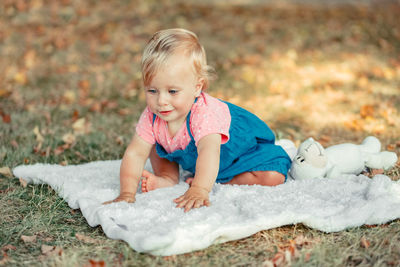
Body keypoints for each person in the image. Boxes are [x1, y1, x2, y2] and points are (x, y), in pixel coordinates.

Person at [104, 28, 291, 212]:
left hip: (240, 152)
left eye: (172, 91)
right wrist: (126, 193)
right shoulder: (153, 114)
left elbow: (210, 151)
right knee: (150, 138)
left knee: (272, 177)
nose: (161, 101)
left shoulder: (204, 113)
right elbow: (135, 153)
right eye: (152, 91)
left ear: (196, 87)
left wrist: (199, 189)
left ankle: (218, 179)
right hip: (201, 161)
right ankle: (167, 177)